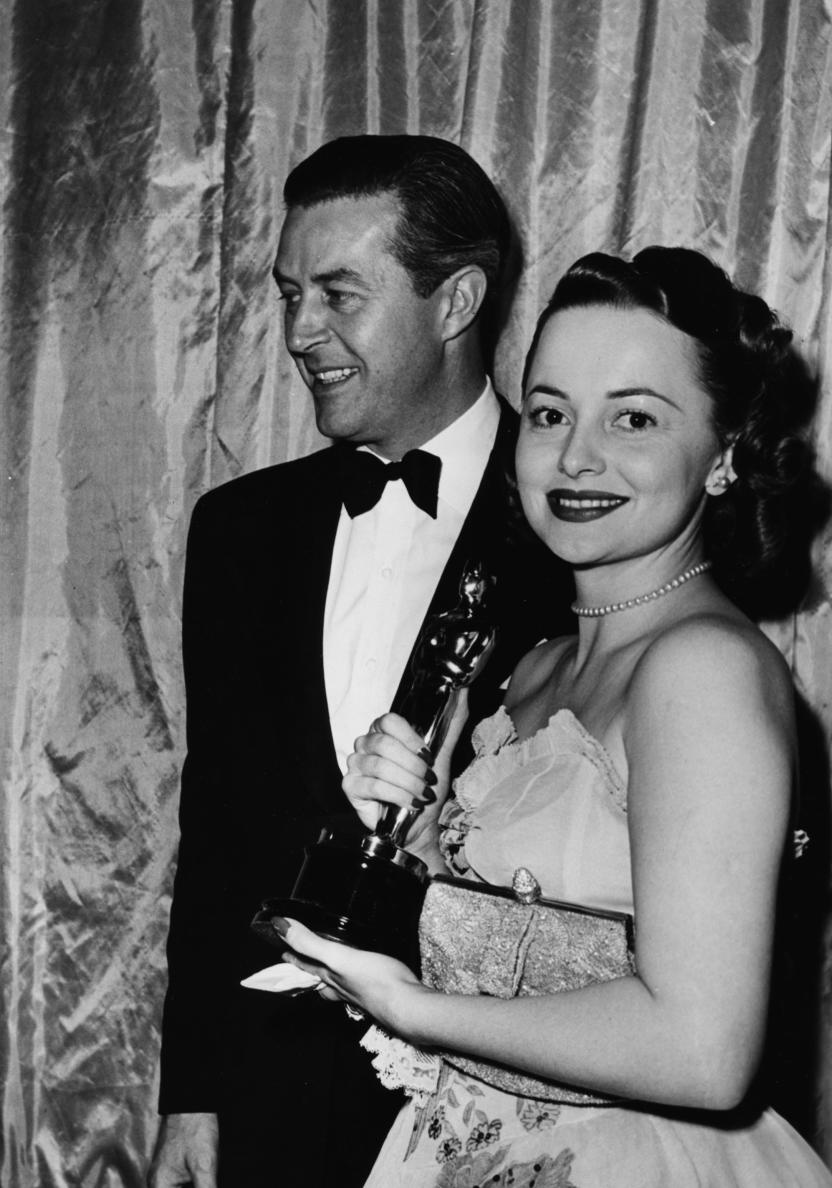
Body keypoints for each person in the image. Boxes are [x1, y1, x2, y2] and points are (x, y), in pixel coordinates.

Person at [276, 247, 832, 1185]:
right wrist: (409, 841)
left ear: (727, 453)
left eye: (633, 419)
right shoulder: (536, 667)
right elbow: (535, 940)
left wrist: (413, 1009)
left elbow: (704, 1050)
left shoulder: (701, 668)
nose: (576, 457)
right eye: (549, 414)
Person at [149, 135, 571, 1188]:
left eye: (340, 294)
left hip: (493, 1103)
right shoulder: (237, 530)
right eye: (291, 293)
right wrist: (193, 1095)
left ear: (458, 300)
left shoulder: (581, 528)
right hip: (266, 1101)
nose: (299, 333)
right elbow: (217, 831)